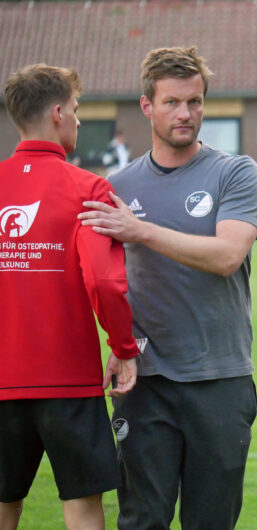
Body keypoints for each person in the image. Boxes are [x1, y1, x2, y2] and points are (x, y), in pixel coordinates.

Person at [78, 46, 257, 529]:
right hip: (145, 379)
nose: (186, 114)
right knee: (141, 521)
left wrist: (139, 230)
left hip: (219, 377)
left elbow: (227, 256)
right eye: (173, 103)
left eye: (196, 102)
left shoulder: (234, 172)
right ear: (147, 106)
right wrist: (118, 345)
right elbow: (102, 281)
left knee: (211, 521)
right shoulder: (116, 186)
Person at [0, 63, 139, 530]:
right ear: (57, 113)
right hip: (69, 383)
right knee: (81, 508)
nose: (79, 121)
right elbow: (105, 282)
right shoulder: (89, 188)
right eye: (77, 111)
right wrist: (123, 349)